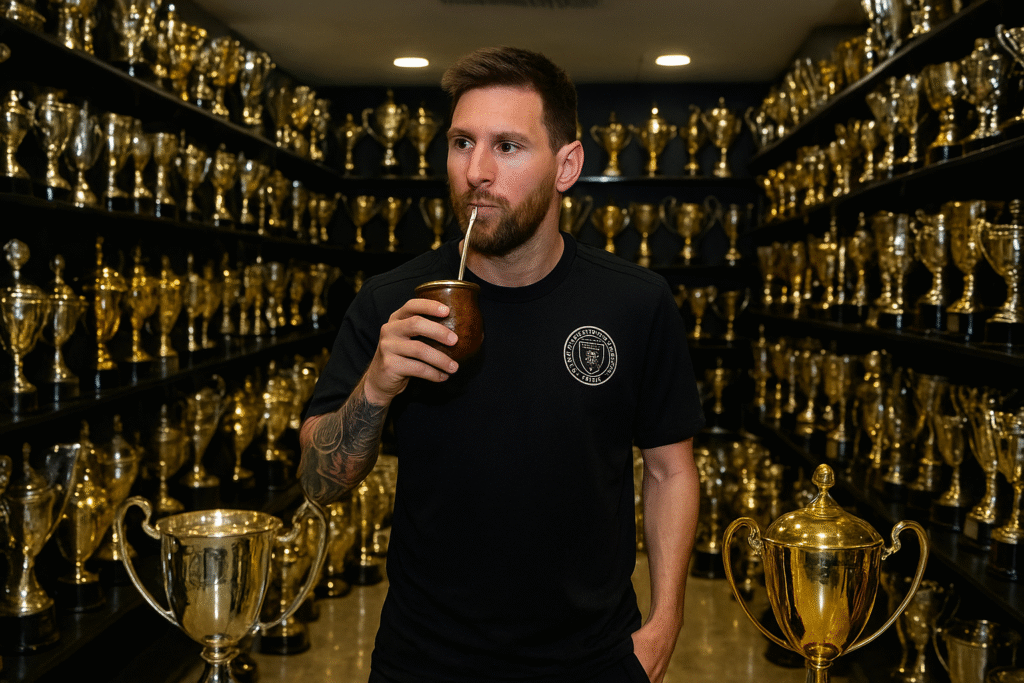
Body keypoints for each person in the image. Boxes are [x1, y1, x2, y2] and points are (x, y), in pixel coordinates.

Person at [299, 46, 704, 683]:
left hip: (591, 658)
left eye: (508, 146)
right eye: (462, 143)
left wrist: (664, 623)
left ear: (567, 165)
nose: (476, 171)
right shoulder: (390, 300)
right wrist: (376, 386)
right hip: (424, 660)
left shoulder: (635, 301)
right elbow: (321, 483)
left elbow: (670, 472)